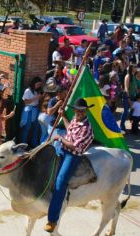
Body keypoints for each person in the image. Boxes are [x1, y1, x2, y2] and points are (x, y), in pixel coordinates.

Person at [44, 98, 94, 233]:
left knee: (60, 182)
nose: (79, 112)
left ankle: (52, 220)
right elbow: (69, 129)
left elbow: (75, 146)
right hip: (62, 149)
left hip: (73, 156)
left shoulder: (86, 128)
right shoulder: (75, 120)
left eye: (81, 110)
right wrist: (64, 116)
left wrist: (60, 138)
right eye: (77, 110)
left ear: (86, 111)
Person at [20, 77, 43, 148]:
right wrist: (36, 98)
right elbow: (26, 101)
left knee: (36, 127)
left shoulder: (37, 91)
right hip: (29, 110)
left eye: (40, 85)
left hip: (36, 110)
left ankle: (34, 143)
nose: (39, 86)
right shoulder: (28, 91)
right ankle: (22, 144)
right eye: (38, 84)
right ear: (34, 83)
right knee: (27, 128)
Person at [120, 65, 137, 133]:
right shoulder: (128, 76)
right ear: (131, 68)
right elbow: (126, 88)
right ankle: (122, 126)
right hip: (127, 96)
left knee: (131, 112)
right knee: (126, 111)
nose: (136, 68)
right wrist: (128, 98)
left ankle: (132, 126)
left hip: (133, 96)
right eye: (135, 67)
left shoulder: (134, 76)